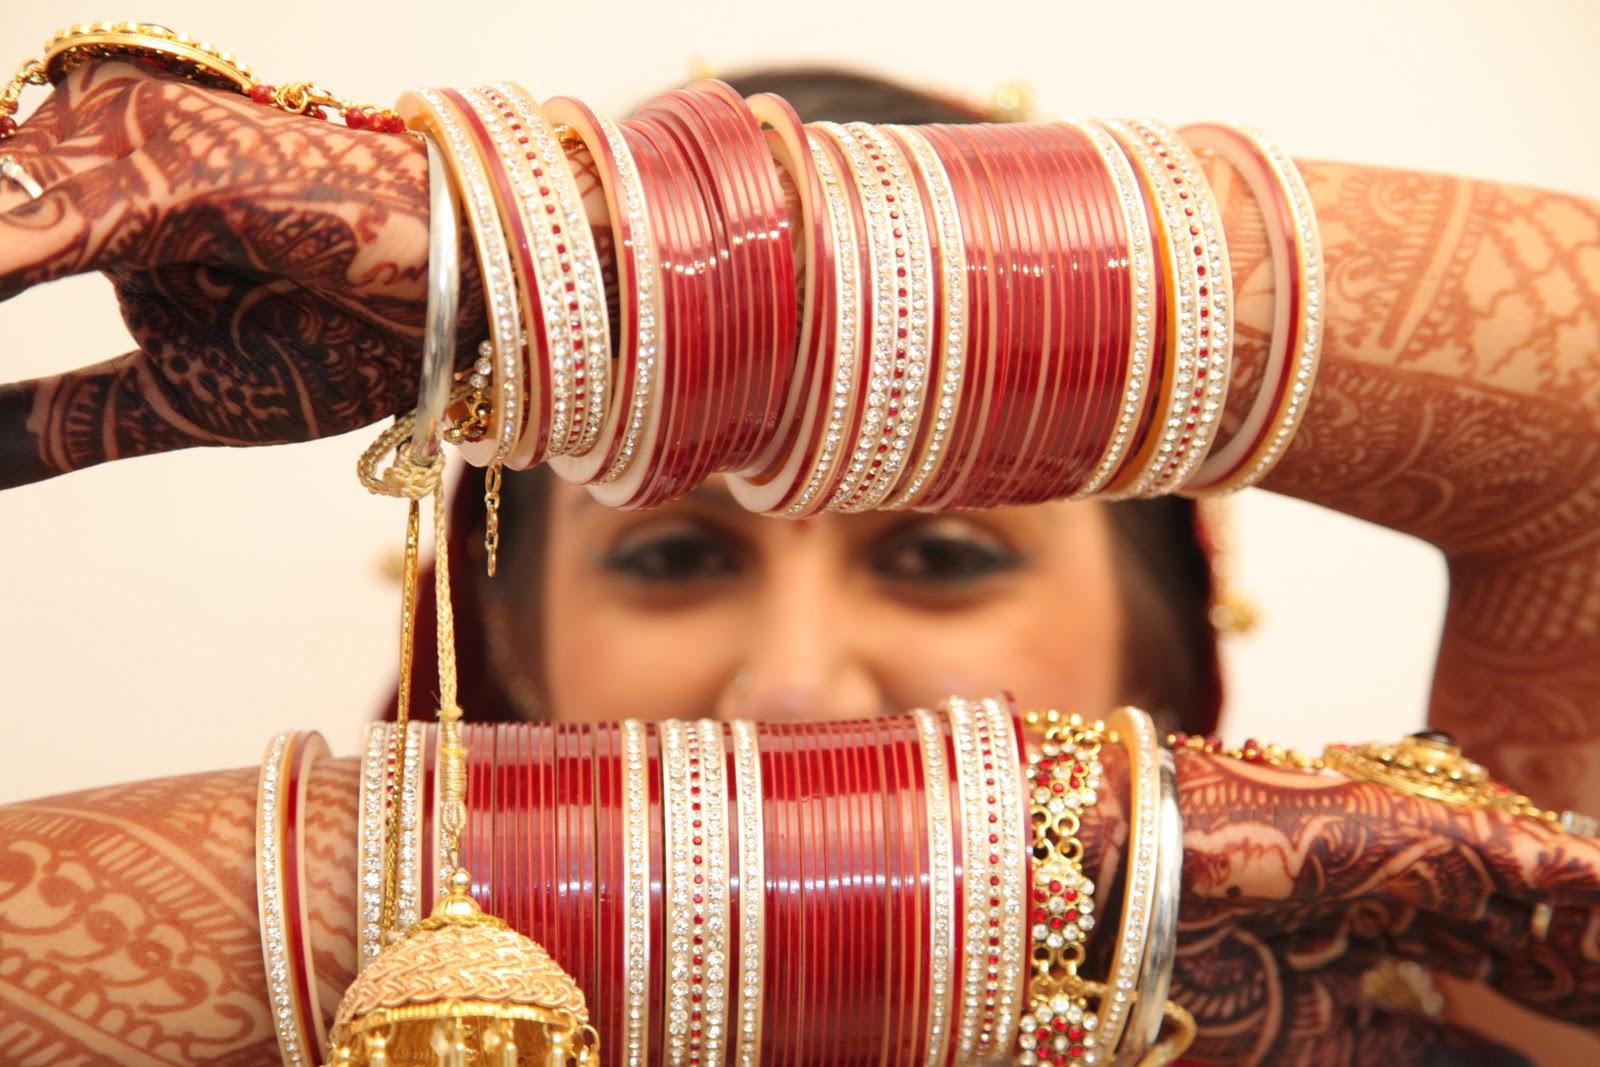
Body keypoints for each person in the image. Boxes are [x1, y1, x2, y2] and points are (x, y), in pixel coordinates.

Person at [1, 57, 1598, 1065]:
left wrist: (574, 272)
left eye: (947, 555)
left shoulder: (1442, 993)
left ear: (1162, 655)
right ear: (513, 661)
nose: (791, 684)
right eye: (679, 556)